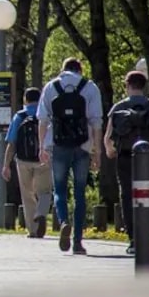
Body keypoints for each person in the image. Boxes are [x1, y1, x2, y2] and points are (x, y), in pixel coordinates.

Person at [37, 57, 103, 255]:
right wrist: (97, 152)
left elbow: (42, 120)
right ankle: (77, 242)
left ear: (62, 69)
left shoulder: (51, 87)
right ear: (80, 70)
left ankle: (64, 221)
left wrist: (41, 147)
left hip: (59, 145)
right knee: (80, 192)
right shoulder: (90, 87)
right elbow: (97, 122)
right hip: (83, 146)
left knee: (59, 190)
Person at [103, 69, 149, 255]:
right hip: (147, 158)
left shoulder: (119, 107)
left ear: (127, 86)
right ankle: (146, 236)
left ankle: (132, 240)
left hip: (125, 157)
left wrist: (109, 149)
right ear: (145, 86)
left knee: (127, 196)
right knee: (146, 196)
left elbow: (108, 137)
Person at [2, 87, 53, 238]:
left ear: (25, 99)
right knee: (44, 192)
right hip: (44, 158)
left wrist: (6, 165)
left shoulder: (20, 116)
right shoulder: (47, 114)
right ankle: (41, 213)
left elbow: (11, 143)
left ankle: (33, 230)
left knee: (27, 194)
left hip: (23, 160)